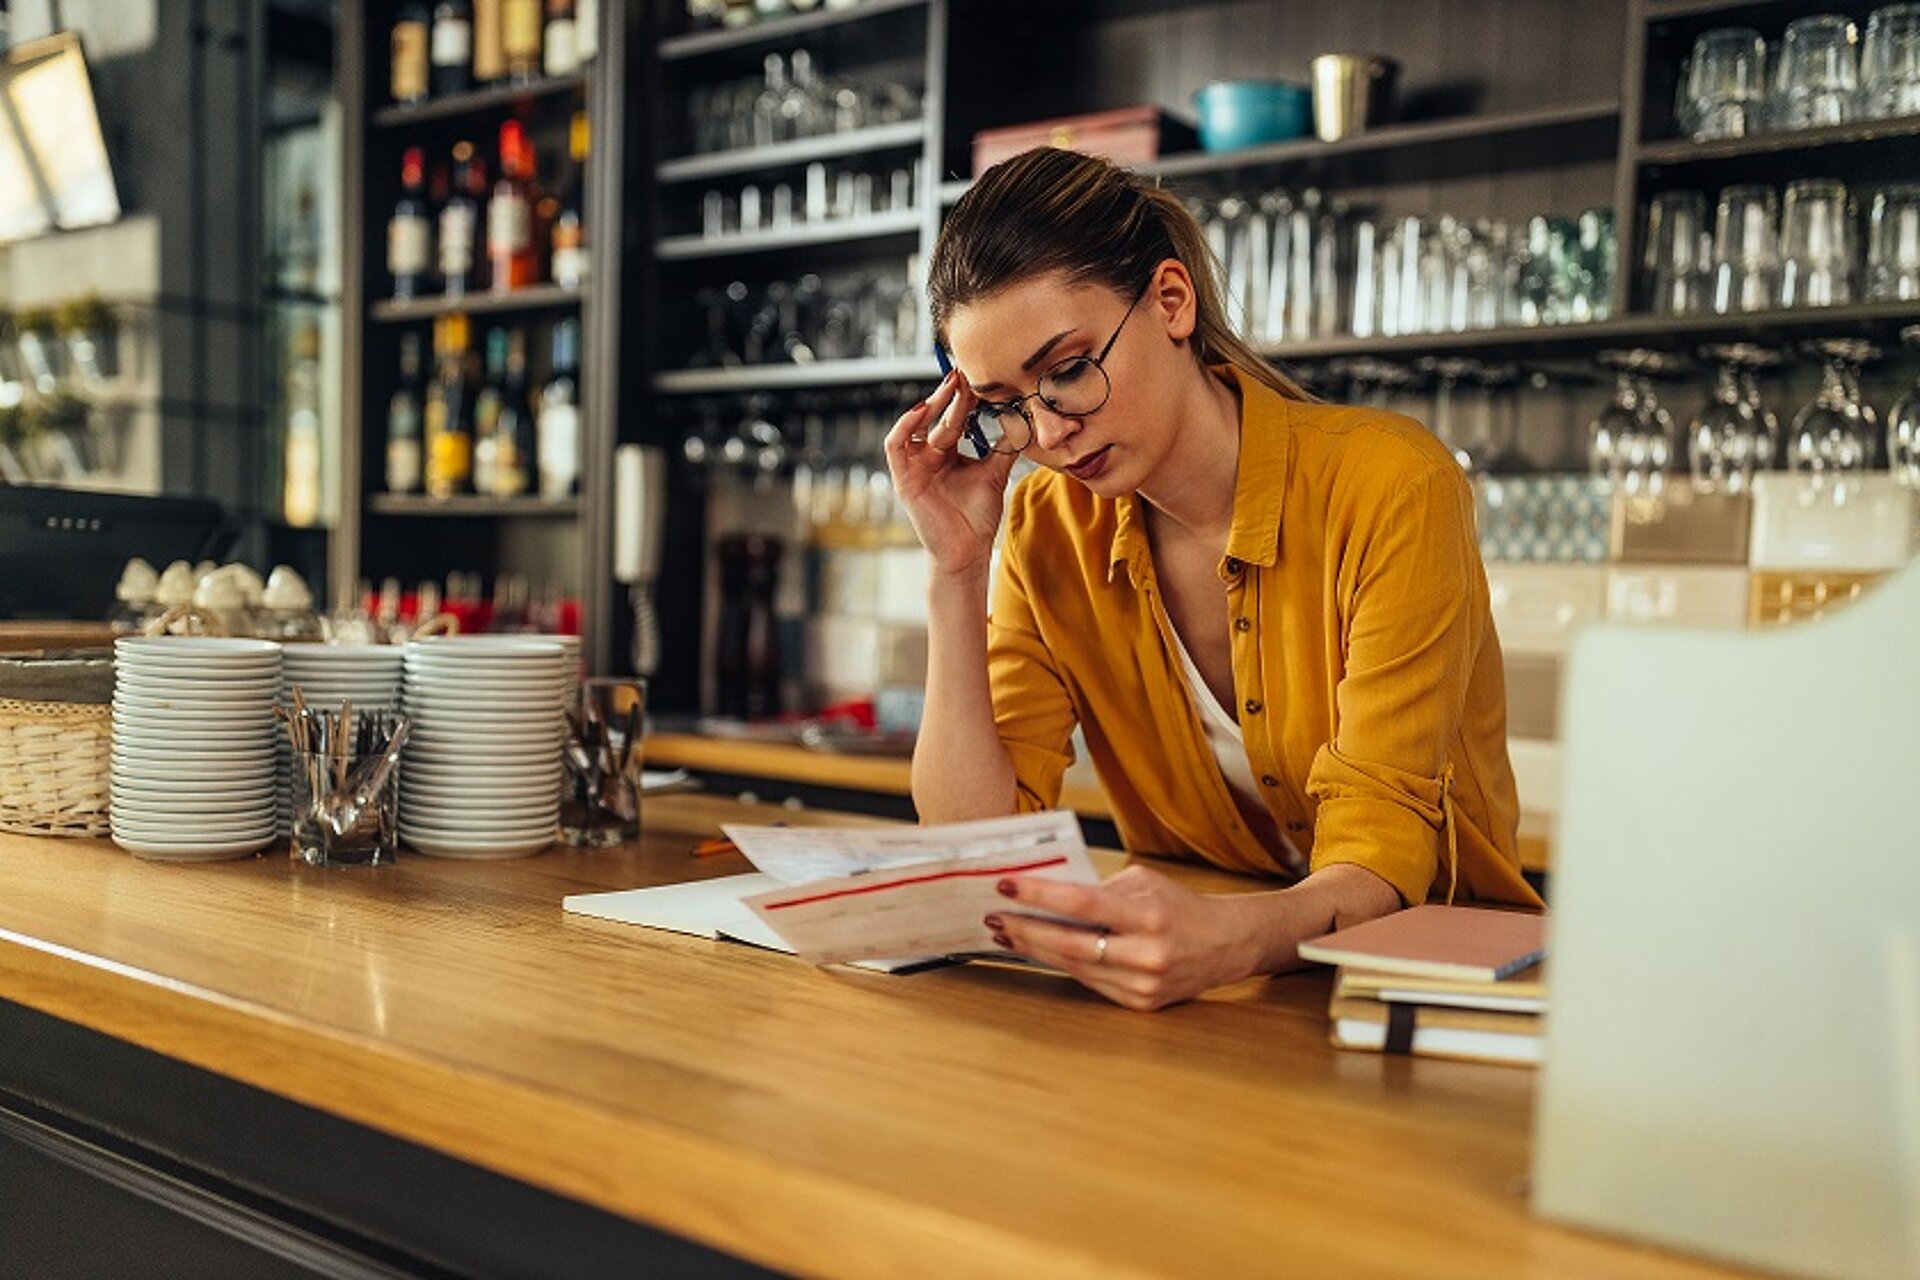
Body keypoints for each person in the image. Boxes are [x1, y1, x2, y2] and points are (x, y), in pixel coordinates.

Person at [882, 147, 1543, 1012]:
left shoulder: (1393, 486)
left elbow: (1381, 860)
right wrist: (955, 571)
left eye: (1068, 371)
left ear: (1171, 301)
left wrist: (1225, 941)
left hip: (1432, 988)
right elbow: (975, 849)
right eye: (1005, 404)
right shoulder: (1047, 529)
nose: (1046, 435)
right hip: (1203, 1002)